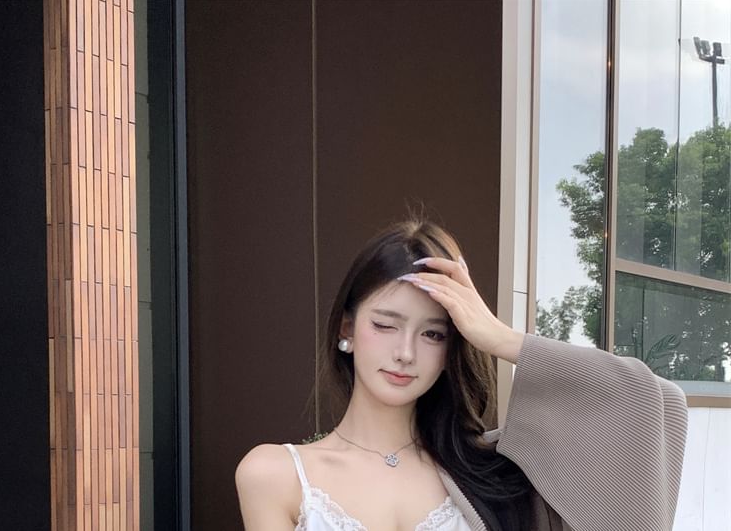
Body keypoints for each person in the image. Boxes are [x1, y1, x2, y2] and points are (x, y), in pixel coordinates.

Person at [235, 218, 688, 531]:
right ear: (347, 328)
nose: (405, 353)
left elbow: (651, 402)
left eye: (433, 334)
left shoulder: (492, 473)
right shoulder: (276, 474)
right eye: (386, 325)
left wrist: (501, 338)